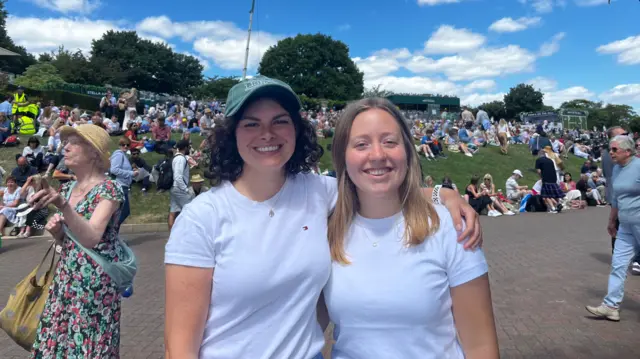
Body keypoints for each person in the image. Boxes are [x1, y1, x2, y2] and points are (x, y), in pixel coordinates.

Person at [164, 76, 482, 359]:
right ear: (231, 134)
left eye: (279, 121)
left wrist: (444, 195)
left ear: (296, 130)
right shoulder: (202, 217)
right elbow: (179, 348)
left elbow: (377, 185)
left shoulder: (318, 192)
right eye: (251, 123)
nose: (267, 134)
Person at [322, 97, 499, 358]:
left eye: (389, 142)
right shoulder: (327, 230)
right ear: (342, 156)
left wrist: (445, 195)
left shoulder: (450, 227)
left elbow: (480, 346)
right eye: (361, 144)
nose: (378, 155)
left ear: (407, 150)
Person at [28, 124, 125, 357]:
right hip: (66, 278)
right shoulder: (69, 187)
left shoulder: (109, 189)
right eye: (66, 142)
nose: (66, 147)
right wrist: (57, 233)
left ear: (93, 151)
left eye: (74, 142)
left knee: (86, 345)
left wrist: (63, 206)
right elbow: (70, 238)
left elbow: (92, 237)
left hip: (94, 285)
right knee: (59, 341)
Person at [586, 135, 640, 321]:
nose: (611, 152)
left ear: (628, 151)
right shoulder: (617, 169)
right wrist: (611, 221)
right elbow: (616, 198)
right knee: (618, 265)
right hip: (625, 226)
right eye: (610, 149)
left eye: (614, 149)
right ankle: (611, 306)